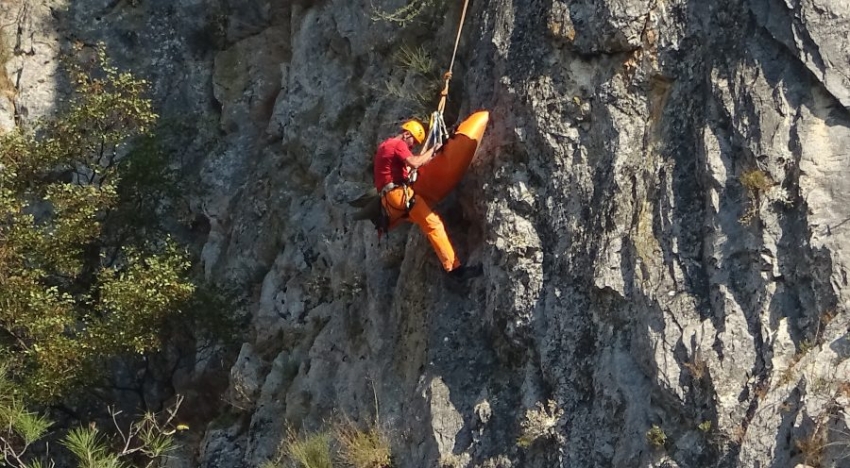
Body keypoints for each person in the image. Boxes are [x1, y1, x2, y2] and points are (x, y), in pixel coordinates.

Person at [373, 119, 481, 280]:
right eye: (413, 142)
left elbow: (400, 171)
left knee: (427, 220)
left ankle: (451, 267)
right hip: (399, 196)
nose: (412, 146)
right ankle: (455, 270)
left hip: (389, 202)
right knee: (434, 225)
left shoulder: (385, 146)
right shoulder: (398, 144)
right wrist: (433, 150)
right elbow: (415, 163)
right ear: (407, 134)